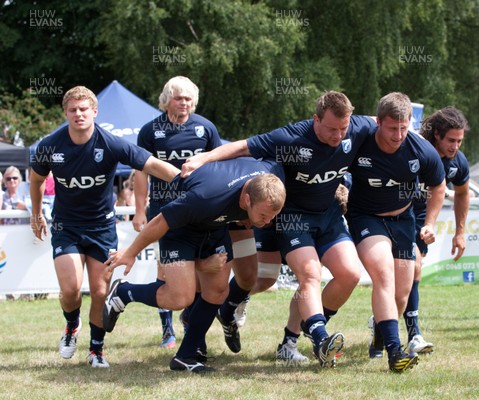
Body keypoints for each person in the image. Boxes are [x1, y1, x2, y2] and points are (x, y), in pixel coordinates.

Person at [182, 91, 378, 368]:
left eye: (343, 129)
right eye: (332, 129)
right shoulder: (291, 138)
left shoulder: (357, 127)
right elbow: (242, 147)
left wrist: (415, 139)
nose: (338, 136)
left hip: (328, 216)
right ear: (315, 120)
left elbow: (385, 122)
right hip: (291, 218)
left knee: (349, 274)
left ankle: (296, 335)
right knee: (298, 275)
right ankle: (319, 338)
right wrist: (203, 159)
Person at [29, 86, 180, 368]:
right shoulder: (50, 145)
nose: (78, 114)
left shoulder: (110, 143)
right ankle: (72, 326)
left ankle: (96, 350)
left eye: (84, 109)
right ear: (66, 113)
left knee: (100, 292)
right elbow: (36, 179)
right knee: (71, 289)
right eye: (73, 110)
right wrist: (36, 214)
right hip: (66, 227)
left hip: (101, 228)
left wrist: (185, 181)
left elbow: (150, 164)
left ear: (95, 112)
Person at [103, 159, 285, 373]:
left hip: (215, 226)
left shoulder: (271, 177)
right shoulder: (207, 197)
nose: (266, 222)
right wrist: (131, 253)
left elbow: (243, 148)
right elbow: (161, 222)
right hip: (179, 230)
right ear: (246, 199)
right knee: (181, 298)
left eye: (272, 217)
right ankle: (123, 292)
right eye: (263, 216)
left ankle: (185, 357)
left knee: (218, 291)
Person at [346, 92, 446, 373]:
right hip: (366, 218)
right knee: (383, 274)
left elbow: (439, 186)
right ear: (378, 122)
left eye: (404, 128)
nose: (398, 135)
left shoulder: (420, 149)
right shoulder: (359, 139)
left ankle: (380, 330)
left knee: (401, 294)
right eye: (392, 128)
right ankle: (395, 352)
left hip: (403, 219)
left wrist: (430, 224)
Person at [369, 106, 471, 358]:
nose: (455, 146)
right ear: (436, 134)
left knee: (410, 273)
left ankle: (391, 327)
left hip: (421, 222)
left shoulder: (458, 162)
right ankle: (408, 332)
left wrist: (460, 232)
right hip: (393, 216)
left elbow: (462, 193)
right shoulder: (412, 146)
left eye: (460, 141)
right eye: (451, 140)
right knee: (403, 272)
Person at [133, 76, 223, 349]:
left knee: (198, 270)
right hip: (165, 210)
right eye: (178, 97)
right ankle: (167, 330)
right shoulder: (150, 131)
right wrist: (139, 211)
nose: (183, 103)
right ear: (166, 100)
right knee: (167, 271)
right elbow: (140, 172)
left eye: (187, 98)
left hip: (200, 211)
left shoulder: (205, 128)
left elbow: (220, 167)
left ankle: (190, 324)